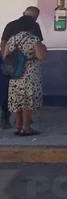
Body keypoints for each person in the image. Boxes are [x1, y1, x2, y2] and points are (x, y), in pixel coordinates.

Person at [1, 8, 46, 136]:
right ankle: (26, 128)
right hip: (29, 73)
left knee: (17, 99)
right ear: (32, 26)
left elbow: (5, 54)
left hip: (15, 73)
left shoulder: (12, 39)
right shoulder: (33, 39)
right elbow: (41, 56)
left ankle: (18, 126)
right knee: (28, 101)